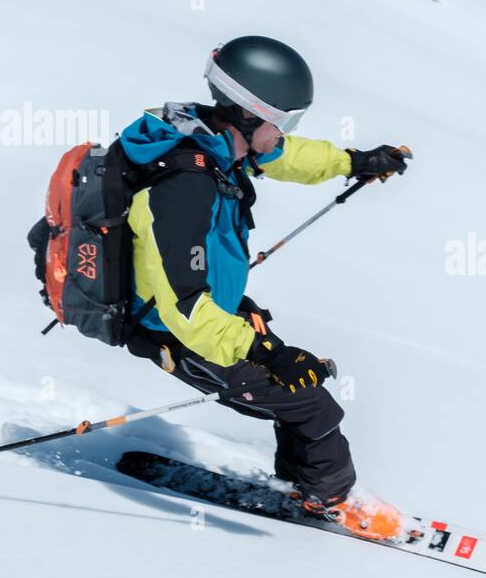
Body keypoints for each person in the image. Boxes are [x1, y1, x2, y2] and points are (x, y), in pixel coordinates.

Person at [121, 35, 409, 539]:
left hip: (215, 312)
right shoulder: (184, 187)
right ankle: (333, 502)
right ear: (249, 115)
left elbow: (287, 157)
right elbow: (185, 310)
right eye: (285, 120)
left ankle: (303, 486)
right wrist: (267, 354)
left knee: (297, 389)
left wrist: (354, 163)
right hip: (179, 333)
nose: (286, 132)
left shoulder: (215, 142)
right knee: (312, 403)